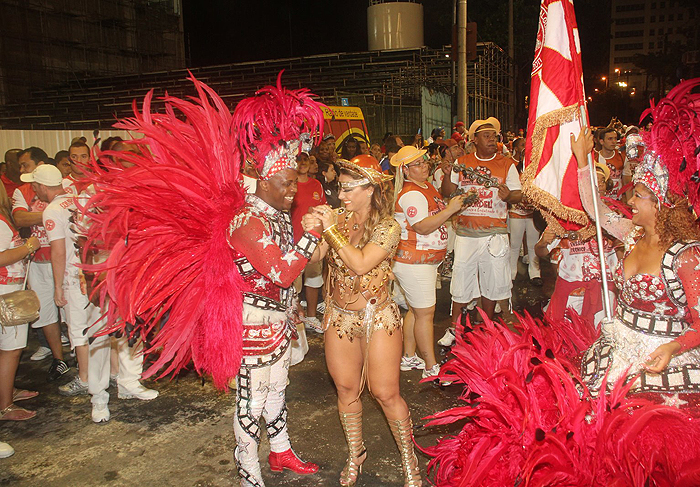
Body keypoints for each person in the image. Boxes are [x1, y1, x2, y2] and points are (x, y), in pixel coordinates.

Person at [307, 154, 422, 487]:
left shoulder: (389, 226)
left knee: (386, 393)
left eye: (347, 189)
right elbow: (314, 260)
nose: (340, 196)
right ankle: (356, 454)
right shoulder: (339, 220)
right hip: (340, 317)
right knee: (345, 389)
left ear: (370, 189)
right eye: (340, 189)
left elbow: (360, 264)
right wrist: (311, 232)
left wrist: (330, 231)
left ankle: (408, 459)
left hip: (377, 317)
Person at [572, 110, 700, 394]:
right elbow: (597, 210)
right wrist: (583, 161)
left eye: (639, 195)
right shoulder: (631, 234)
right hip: (618, 349)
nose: (629, 199)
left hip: (662, 361)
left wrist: (673, 347)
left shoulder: (686, 256)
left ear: (660, 204)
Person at [390, 146, 473, 379]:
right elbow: (422, 226)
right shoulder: (411, 193)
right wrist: (451, 210)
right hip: (415, 262)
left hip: (422, 262)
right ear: (405, 170)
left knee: (416, 312)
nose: (424, 165)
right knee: (425, 314)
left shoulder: (425, 186)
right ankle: (431, 366)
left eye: (424, 161)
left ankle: (408, 357)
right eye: (417, 164)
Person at [441, 117, 522, 322]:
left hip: (495, 233)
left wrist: (508, 196)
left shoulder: (507, 164)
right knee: (461, 278)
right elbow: (448, 192)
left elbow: (518, 194)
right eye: (486, 136)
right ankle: (455, 326)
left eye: (494, 136)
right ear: (475, 140)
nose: (491, 140)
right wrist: (447, 175)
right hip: (466, 233)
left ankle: (484, 322)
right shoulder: (462, 163)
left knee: (493, 280)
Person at [12, 147, 68, 381]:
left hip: (64, 260)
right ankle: (59, 359)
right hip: (37, 262)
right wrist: (53, 214)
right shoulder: (22, 190)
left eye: (26, 165)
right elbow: (20, 218)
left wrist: (52, 213)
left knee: (70, 310)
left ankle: (81, 356)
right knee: (45, 312)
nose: (23, 171)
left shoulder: (65, 187)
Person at [0, 182, 40, 422]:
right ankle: (5, 406)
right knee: (11, 350)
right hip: (7, 293)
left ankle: (6, 390)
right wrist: (27, 247)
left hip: (7, 289)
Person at [290, 152, 327, 334]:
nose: (302, 163)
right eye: (299, 159)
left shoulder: (316, 185)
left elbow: (323, 210)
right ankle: (294, 319)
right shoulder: (288, 184)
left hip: (314, 243)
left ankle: (311, 317)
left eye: (306, 159)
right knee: (293, 285)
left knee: (313, 280)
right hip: (293, 243)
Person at [507, 137, 541, 285]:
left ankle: (535, 273)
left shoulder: (539, 173)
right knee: (514, 244)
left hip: (533, 214)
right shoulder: (514, 169)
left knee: (533, 244)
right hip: (516, 212)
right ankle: (511, 273)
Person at [594, 127, 624, 200]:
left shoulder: (622, 156)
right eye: (610, 139)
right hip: (599, 200)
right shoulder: (594, 158)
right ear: (602, 141)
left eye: (615, 138)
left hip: (617, 200)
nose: (614, 141)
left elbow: (627, 181)